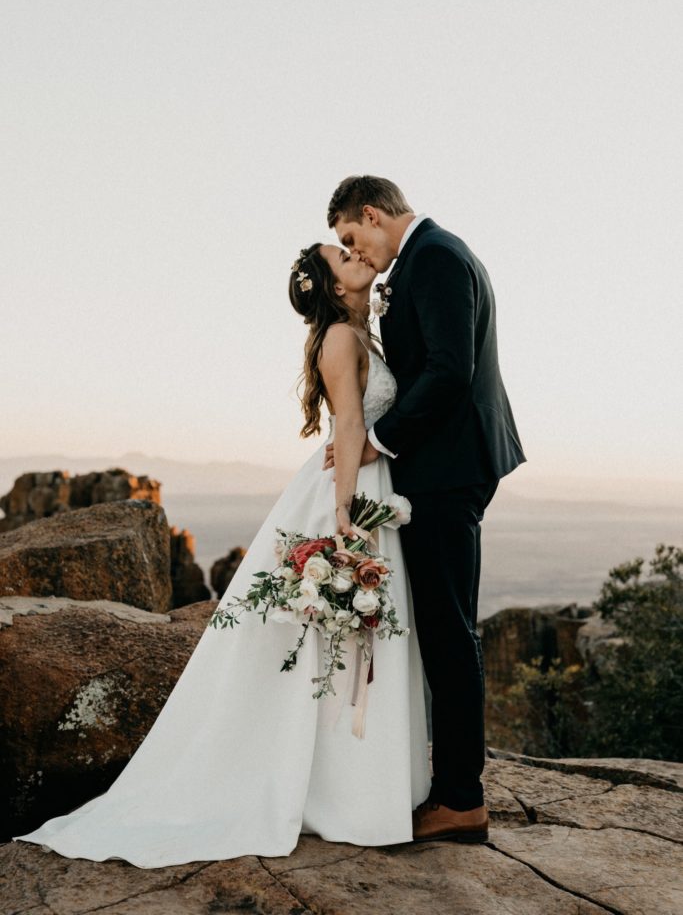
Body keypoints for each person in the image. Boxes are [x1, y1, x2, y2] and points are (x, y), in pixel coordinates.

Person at [12, 242, 432, 868]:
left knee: (351, 638)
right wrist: (344, 517)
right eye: (341, 256)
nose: (354, 255)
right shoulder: (342, 339)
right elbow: (348, 425)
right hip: (349, 492)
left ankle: (363, 786)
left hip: (367, 482)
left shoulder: (360, 332)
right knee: (338, 639)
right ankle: (344, 793)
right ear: (333, 286)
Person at [324, 175, 527, 844]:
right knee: (443, 627)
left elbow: (448, 369)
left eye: (352, 236)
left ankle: (461, 798)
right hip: (448, 466)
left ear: (372, 214)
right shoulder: (432, 255)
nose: (357, 251)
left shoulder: (435, 257)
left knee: (448, 632)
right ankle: (451, 788)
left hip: (446, 470)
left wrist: (377, 441)